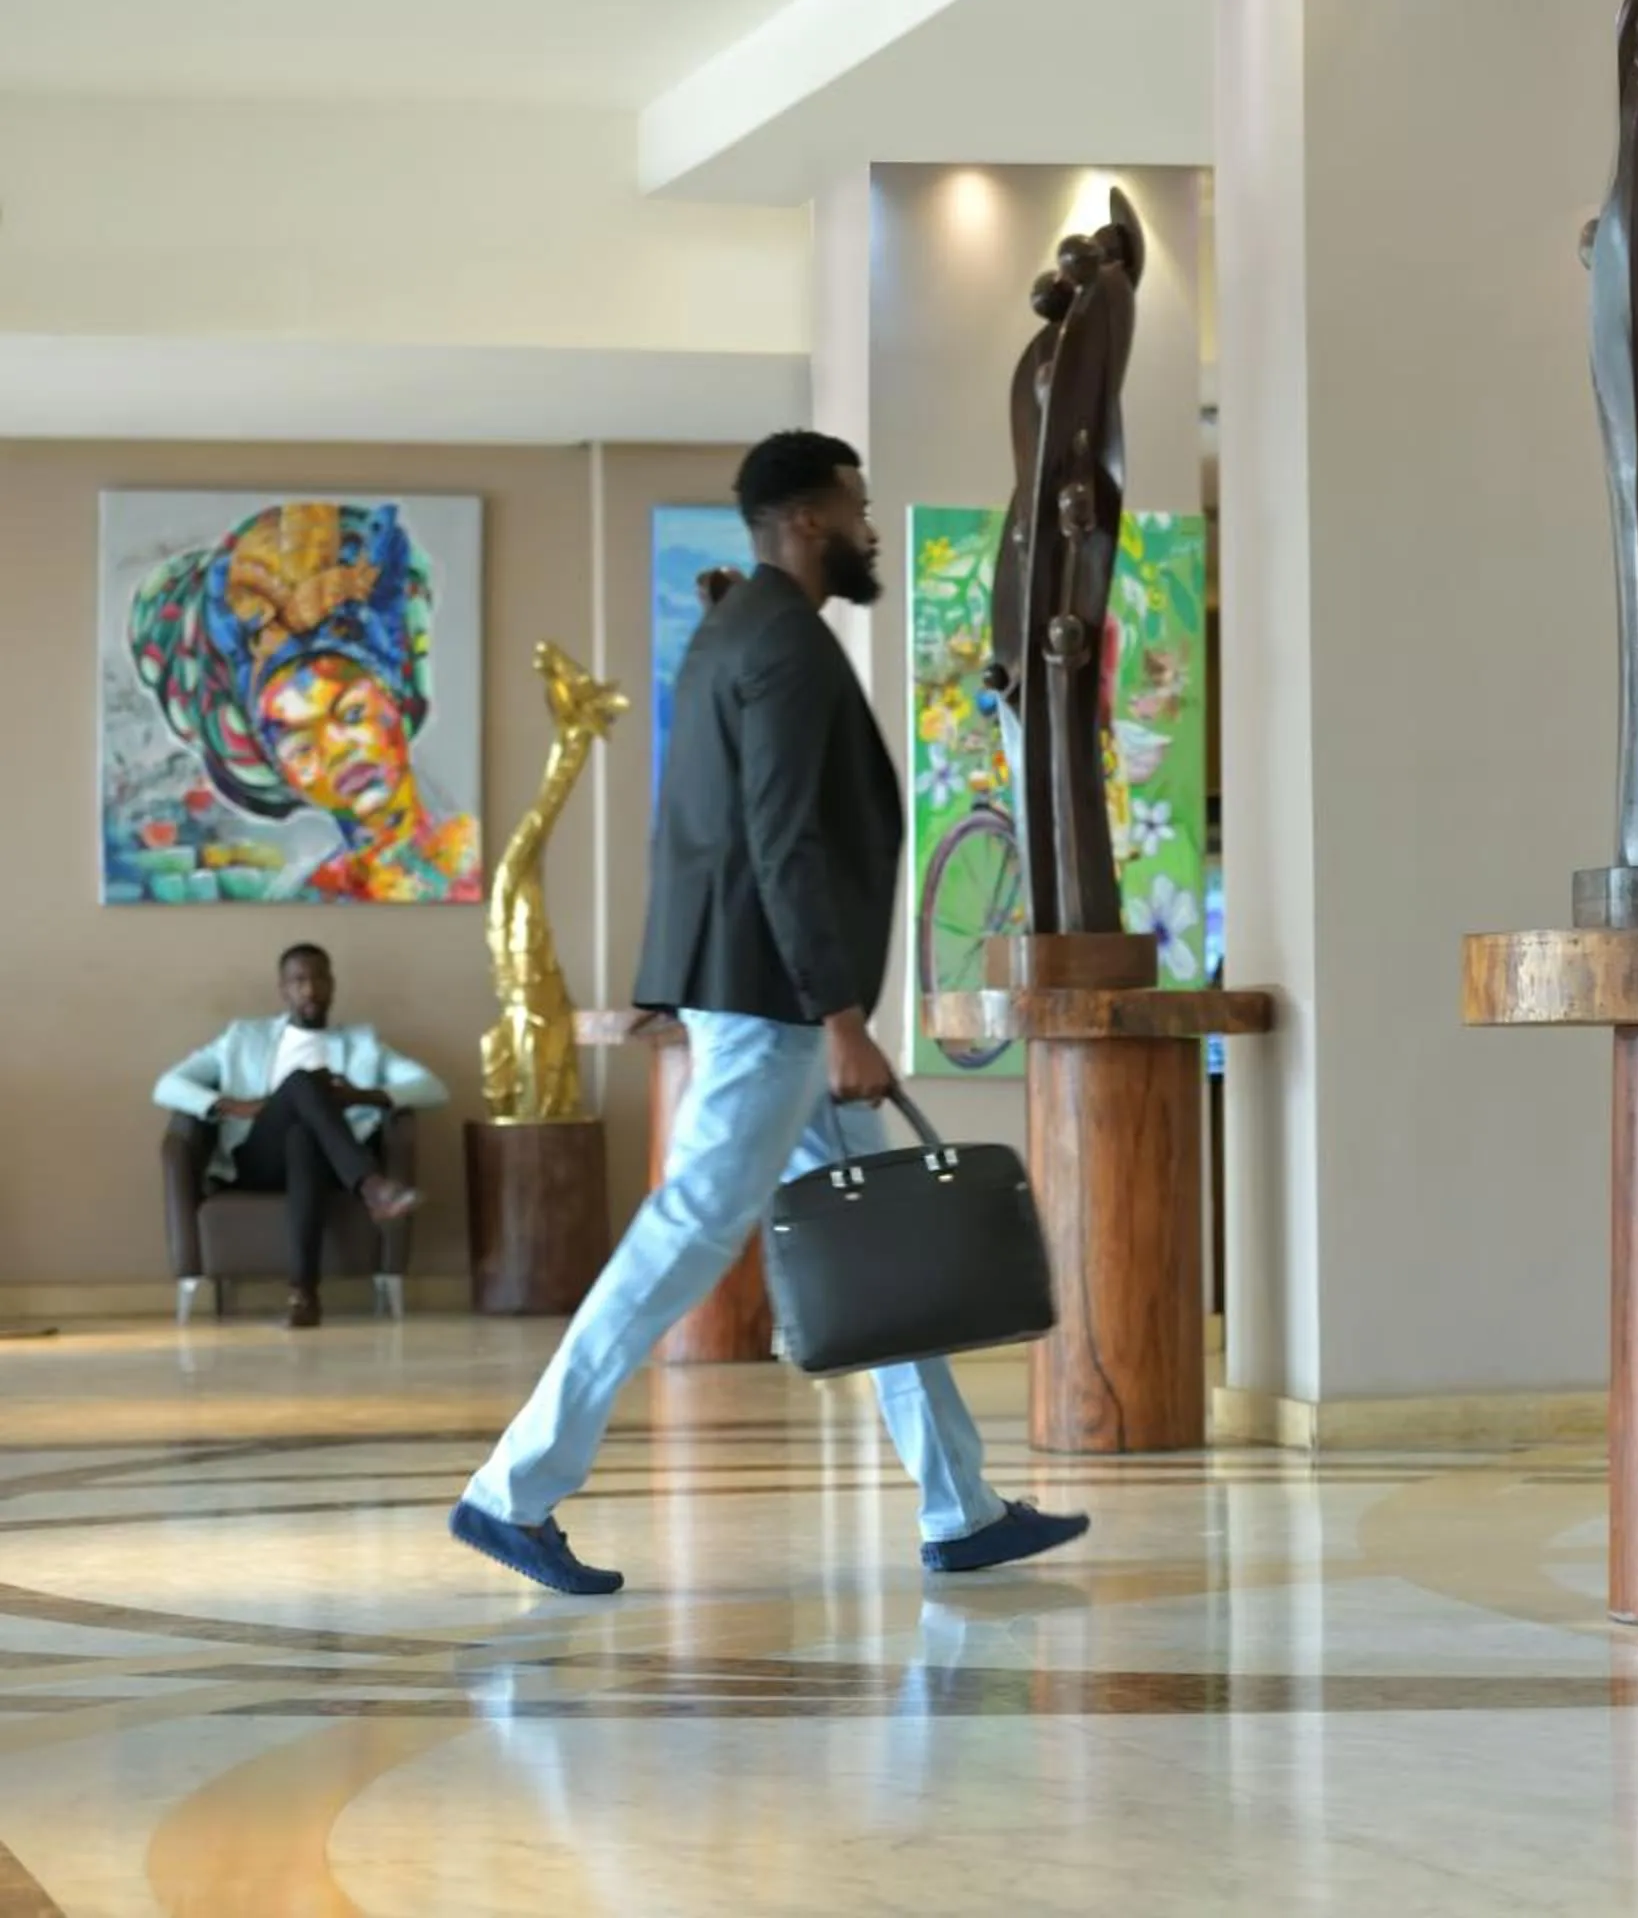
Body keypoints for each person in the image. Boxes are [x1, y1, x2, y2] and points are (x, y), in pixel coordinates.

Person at [450, 430, 1088, 1595]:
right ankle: (513, 1487)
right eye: (856, 507)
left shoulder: (741, 625)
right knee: (686, 1229)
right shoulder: (779, 641)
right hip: (776, 1001)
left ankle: (961, 1506)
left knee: (883, 1241)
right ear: (806, 521)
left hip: (759, 991)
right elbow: (782, 838)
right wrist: (840, 1013)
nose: (870, 527)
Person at [123, 501, 481, 903]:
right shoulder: (312, 898)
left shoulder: (490, 860)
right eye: (301, 748)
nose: (337, 750)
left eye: (352, 713)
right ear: (275, 771)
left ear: (395, 697)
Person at [152, 944, 441, 1328]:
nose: (310, 989)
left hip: (326, 1165)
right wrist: (230, 1105)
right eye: (298, 980)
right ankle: (372, 1186)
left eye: (319, 978)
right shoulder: (243, 1038)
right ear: (283, 990)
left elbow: (433, 1088)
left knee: (303, 1137)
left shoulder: (362, 1044)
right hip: (257, 1162)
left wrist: (357, 1095)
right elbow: (167, 1085)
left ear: (332, 985)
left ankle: (303, 1296)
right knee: (303, 1081)